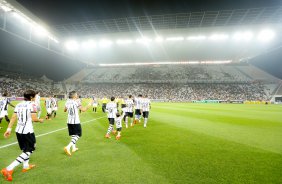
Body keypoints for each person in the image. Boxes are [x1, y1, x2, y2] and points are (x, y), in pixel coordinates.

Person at [1, 90, 44, 182]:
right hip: (27, 132)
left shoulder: (19, 104)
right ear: (32, 97)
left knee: (25, 149)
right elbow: (34, 119)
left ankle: (26, 166)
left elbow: (13, 117)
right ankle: (8, 169)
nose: (35, 98)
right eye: (35, 96)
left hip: (18, 131)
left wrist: (8, 129)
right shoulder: (32, 105)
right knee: (29, 150)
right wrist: (41, 120)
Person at [64, 91, 93, 156]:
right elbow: (84, 110)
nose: (77, 95)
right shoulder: (77, 102)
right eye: (76, 94)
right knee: (78, 135)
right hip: (75, 121)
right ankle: (68, 147)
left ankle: (74, 148)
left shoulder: (67, 101)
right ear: (74, 96)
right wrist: (90, 104)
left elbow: (64, 110)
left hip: (69, 121)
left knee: (73, 135)